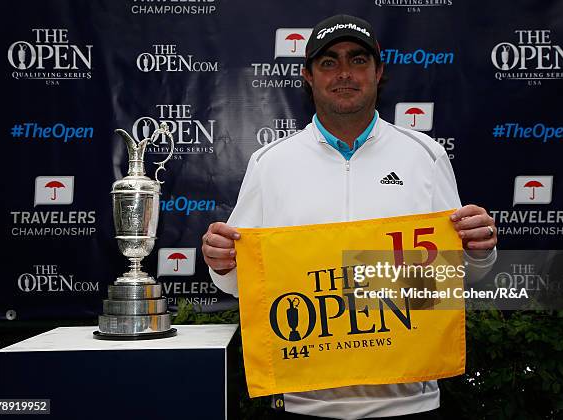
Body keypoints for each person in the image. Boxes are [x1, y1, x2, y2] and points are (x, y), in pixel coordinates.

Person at [202, 14, 497, 419]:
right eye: (329, 62)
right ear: (307, 76)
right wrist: (221, 263)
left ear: (378, 71)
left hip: (408, 403)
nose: (344, 73)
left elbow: (454, 277)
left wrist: (479, 252)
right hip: (304, 405)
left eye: (358, 60)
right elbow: (243, 283)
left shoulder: (424, 155)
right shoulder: (270, 163)